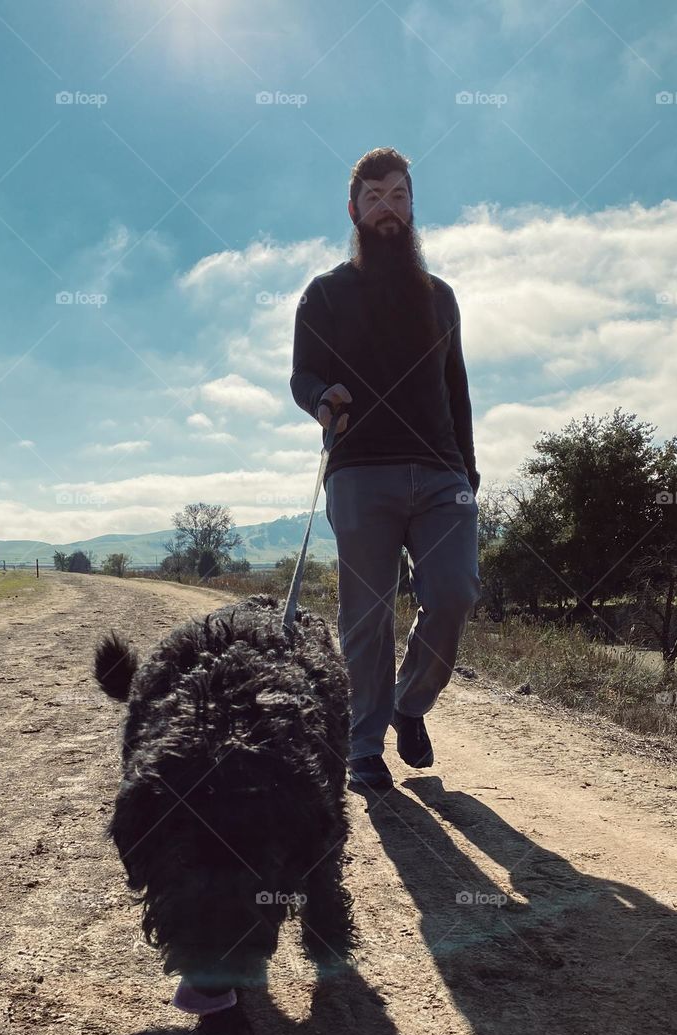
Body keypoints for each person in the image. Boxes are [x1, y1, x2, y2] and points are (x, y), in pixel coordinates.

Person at [290, 146, 481, 790]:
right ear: (353, 210)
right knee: (367, 616)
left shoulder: (441, 298)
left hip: (441, 474)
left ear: (411, 207)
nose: (387, 208)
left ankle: (409, 704)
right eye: (374, 197)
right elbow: (303, 374)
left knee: (454, 594)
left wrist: (469, 475)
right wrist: (322, 398)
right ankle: (364, 744)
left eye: (398, 196)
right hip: (359, 471)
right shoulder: (324, 295)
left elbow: (457, 391)